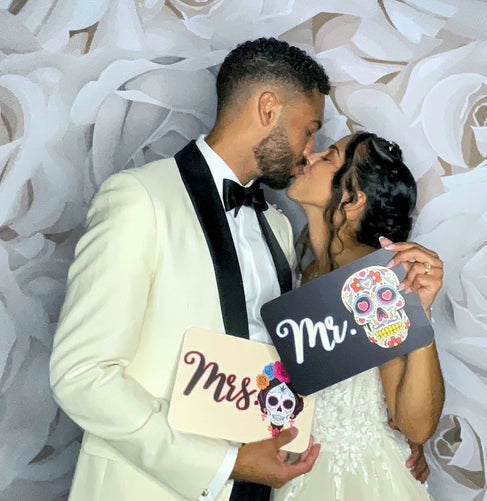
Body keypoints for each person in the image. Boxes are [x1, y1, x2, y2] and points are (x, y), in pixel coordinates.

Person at [49, 37, 328, 501]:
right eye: (309, 128)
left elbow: (284, 355)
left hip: (259, 487)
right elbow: (81, 375)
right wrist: (223, 464)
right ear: (268, 108)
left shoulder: (277, 226)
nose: (310, 147)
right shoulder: (139, 199)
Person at [275, 132, 445, 500]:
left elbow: (416, 427)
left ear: (354, 200)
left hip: (365, 480)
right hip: (300, 473)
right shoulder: (310, 273)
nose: (311, 156)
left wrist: (419, 316)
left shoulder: (372, 282)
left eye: (329, 157)